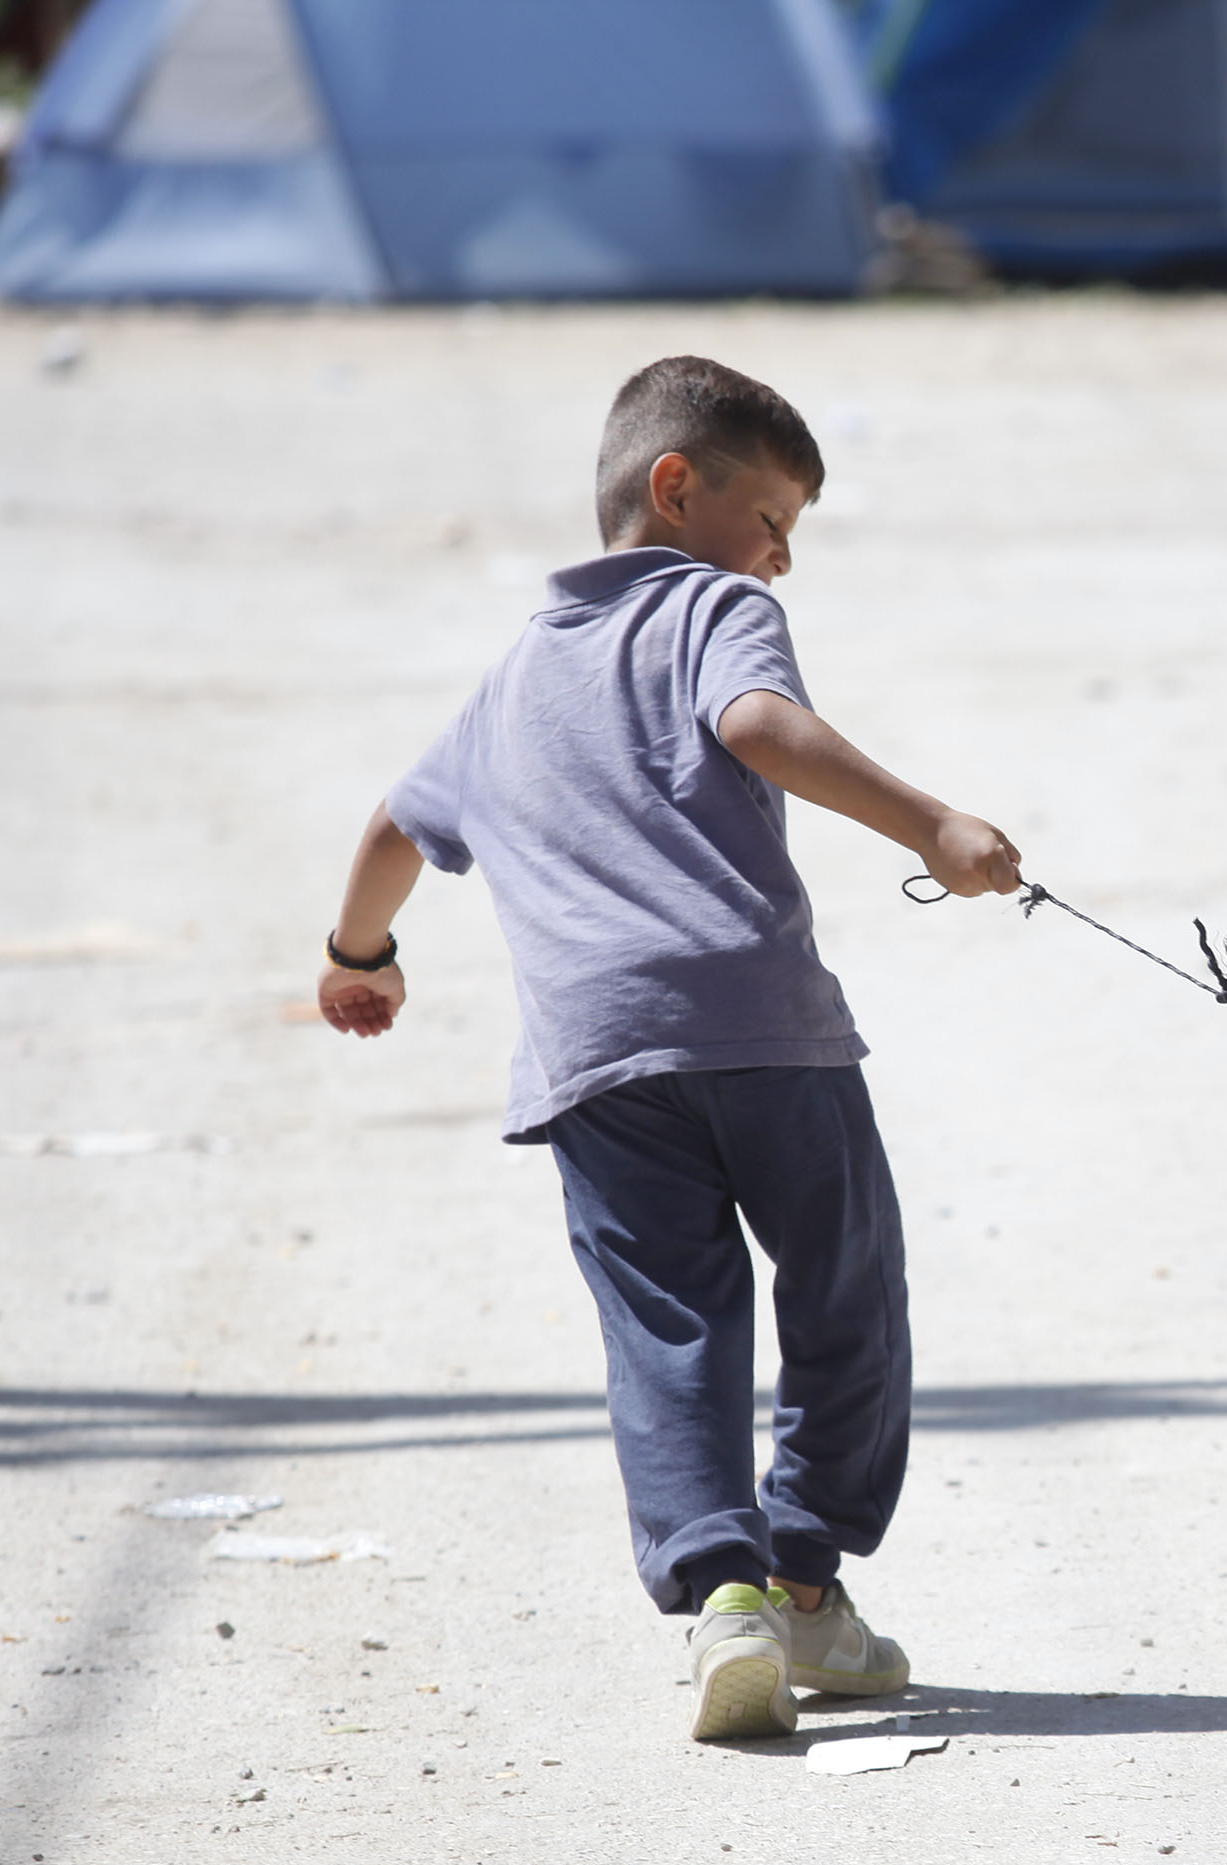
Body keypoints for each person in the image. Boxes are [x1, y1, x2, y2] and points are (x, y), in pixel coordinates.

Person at [313, 355, 1023, 1744]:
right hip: (761, 1028)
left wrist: (358, 958)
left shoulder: (507, 679)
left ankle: (726, 1606)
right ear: (677, 486)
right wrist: (932, 823)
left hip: (596, 1062)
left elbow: (395, 828)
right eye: (774, 520)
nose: (780, 559)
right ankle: (805, 1580)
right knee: (843, 1289)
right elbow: (757, 726)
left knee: (671, 1326)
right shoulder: (712, 606)